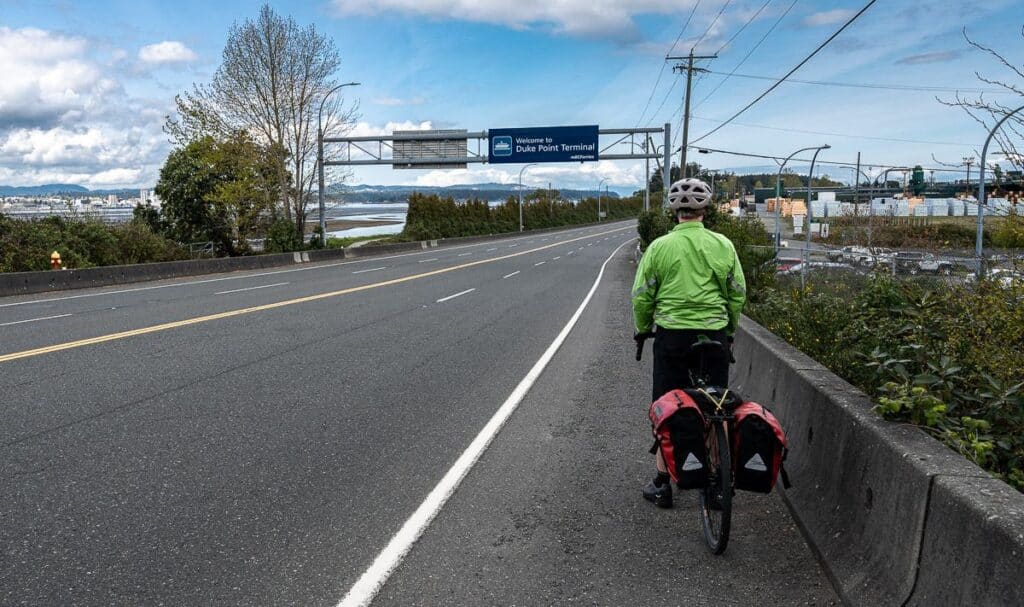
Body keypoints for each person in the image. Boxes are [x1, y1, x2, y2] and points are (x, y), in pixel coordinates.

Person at [632, 177, 747, 508]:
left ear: (674, 211)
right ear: (705, 209)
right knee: (718, 405)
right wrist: (729, 329)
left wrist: (642, 329)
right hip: (713, 335)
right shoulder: (723, 245)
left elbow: (641, 297)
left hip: (672, 337)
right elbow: (737, 293)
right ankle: (720, 483)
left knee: (668, 406)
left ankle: (662, 484)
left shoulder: (659, 247)